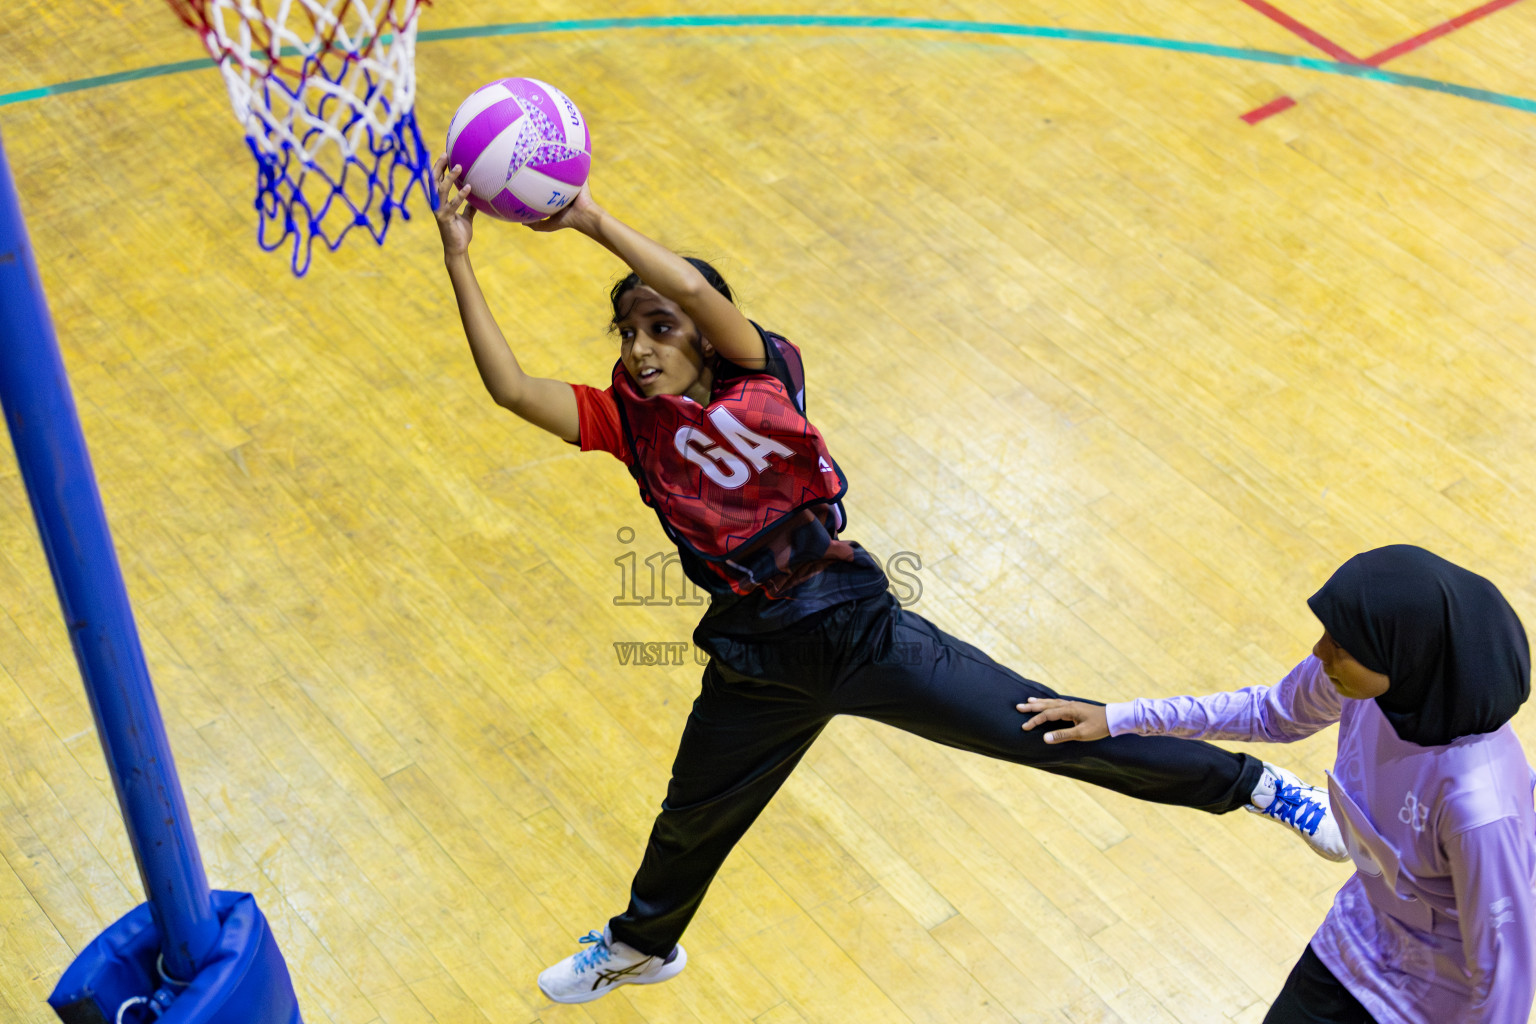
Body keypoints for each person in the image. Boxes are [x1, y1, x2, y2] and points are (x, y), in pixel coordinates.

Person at [430, 157, 1346, 1006]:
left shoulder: (761, 368)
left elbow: (699, 291)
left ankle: (1259, 788)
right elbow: (511, 388)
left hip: (859, 634)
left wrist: (589, 217)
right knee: (691, 817)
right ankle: (642, 946)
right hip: (754, 662)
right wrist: (459, 255)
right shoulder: (629, 423)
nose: (639, 347)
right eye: (627, 332)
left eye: (659, 326)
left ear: (705, 332)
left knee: (1046, 729)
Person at [1020, 544, 1536, 1023]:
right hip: (1352, 943)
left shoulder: (1480, 808)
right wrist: (1120, 717)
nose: (1320, 650)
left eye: (1341, 645)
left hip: (1432, 1005)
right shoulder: (1372, 685)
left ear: (1405, 657)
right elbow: (1272, 713)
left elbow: (1505, 980)